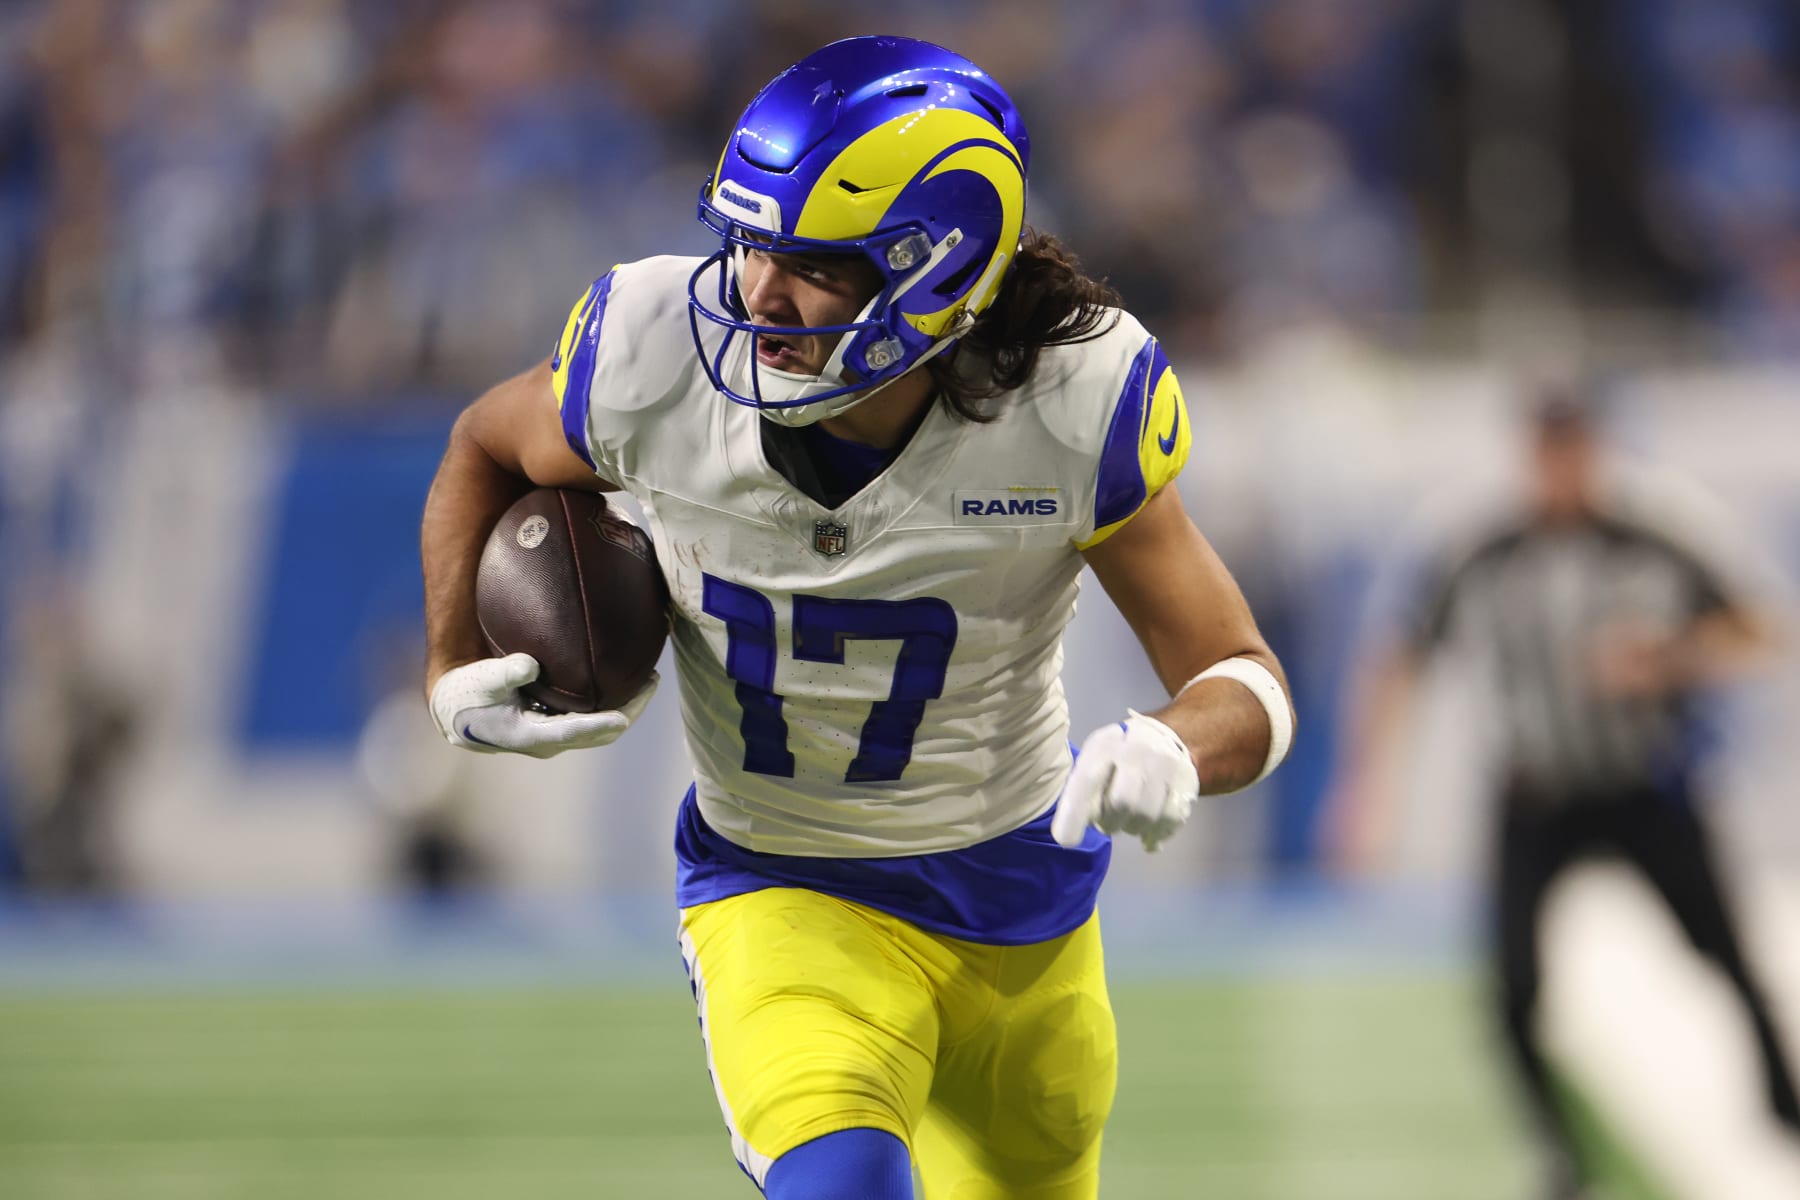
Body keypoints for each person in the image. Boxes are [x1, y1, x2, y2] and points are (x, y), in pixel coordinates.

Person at [420, 35, 1294, 1199]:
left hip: (1024, 909)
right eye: (749, 248)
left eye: (816, 267)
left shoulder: (1073, 399)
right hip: (783, 892)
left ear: (937, 270)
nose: (758, 297)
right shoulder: (650, 357)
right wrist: (448, 662)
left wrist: (1175, 746)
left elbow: (1243, 672)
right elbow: (484, 439)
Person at [1329, 386, 1799, 1200]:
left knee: (1728, 959)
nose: (1561, 471)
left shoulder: (1659, 529)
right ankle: (1561, 1157)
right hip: (1535, 796)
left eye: (1574, 450)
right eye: (1547, 452)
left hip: (1646, 786)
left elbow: (1762, 629)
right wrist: (1366, 788)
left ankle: (1785, 1111)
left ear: (1597, 451)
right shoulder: (1479, 542)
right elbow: (1399, 654)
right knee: (1513, 991)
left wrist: (1670, 655)